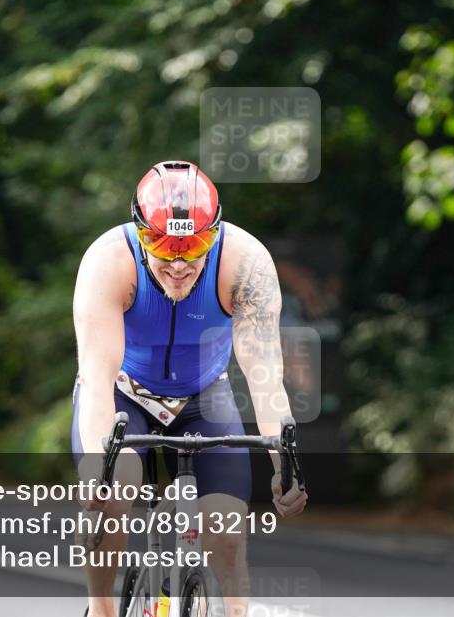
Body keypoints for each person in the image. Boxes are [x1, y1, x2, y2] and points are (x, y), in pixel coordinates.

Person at [71, 160, 309, 617]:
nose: (178, 264)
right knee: (110, 498)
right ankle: (100, 611)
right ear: (141, 236)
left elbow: (264, 378)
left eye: (195, 246)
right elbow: (97, 378)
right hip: (125, 395)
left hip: (204, 395)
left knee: (226, 528)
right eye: (161, 247)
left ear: (215, 234)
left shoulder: (245, 263)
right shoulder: (107, 262)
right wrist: (98, 469)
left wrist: (286, 466)